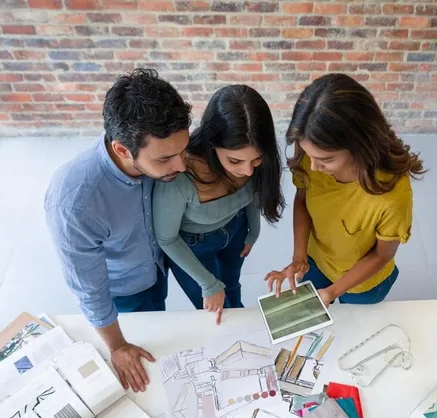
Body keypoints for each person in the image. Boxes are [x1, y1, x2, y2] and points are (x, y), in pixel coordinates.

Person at [45, 69, 191, 393]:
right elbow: (89, 288)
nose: (181, 166)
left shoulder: (161, 158)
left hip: (157, 267)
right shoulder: (74, 202)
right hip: (125, 290)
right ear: (123, 149)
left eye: (183, 150)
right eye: (166, 158)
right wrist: (117, 346)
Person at [265, 73, 424, 305]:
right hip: (316, 262)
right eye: (308, 154)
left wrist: (333, 291)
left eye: (326, 160)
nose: (313, 167)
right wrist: (299, 256)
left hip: (363, 282)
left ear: (360, 146)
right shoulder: (311, 155)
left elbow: (382, 254)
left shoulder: (392, 195)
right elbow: (302, 200)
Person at [153, 85, 285, 324]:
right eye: (235, 161)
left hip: (235, 231)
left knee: (232, 287)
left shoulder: (252, 163)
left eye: (256, 160)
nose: (246, 171)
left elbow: (251, 196)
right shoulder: (181, 174)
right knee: (216, 309)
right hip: (193, 248)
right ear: (213, 144)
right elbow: (167, 239)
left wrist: (252, 232)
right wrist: (208, 283)